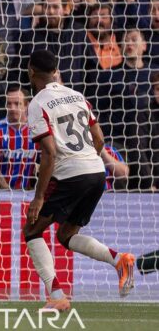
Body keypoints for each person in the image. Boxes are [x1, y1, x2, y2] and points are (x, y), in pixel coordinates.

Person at [23, 49, 136, 311]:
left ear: (31, 72)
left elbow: (49, 152)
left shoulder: (38, 103)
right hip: (97, 172)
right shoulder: (77, 96)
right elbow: (100, 139)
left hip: (70, 175)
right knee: (65, 234)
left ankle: (56, 295)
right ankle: (120, 260)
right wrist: (88, 161)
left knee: (32, 230)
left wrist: (39, 197)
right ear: (55, 70)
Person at [0, 86, 36, 189]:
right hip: (2, 192)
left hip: (28, 193)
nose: (12, 108)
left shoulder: (36, 129)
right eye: (9, 104)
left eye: (17, 104)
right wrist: (9, 191)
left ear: (27, 105)